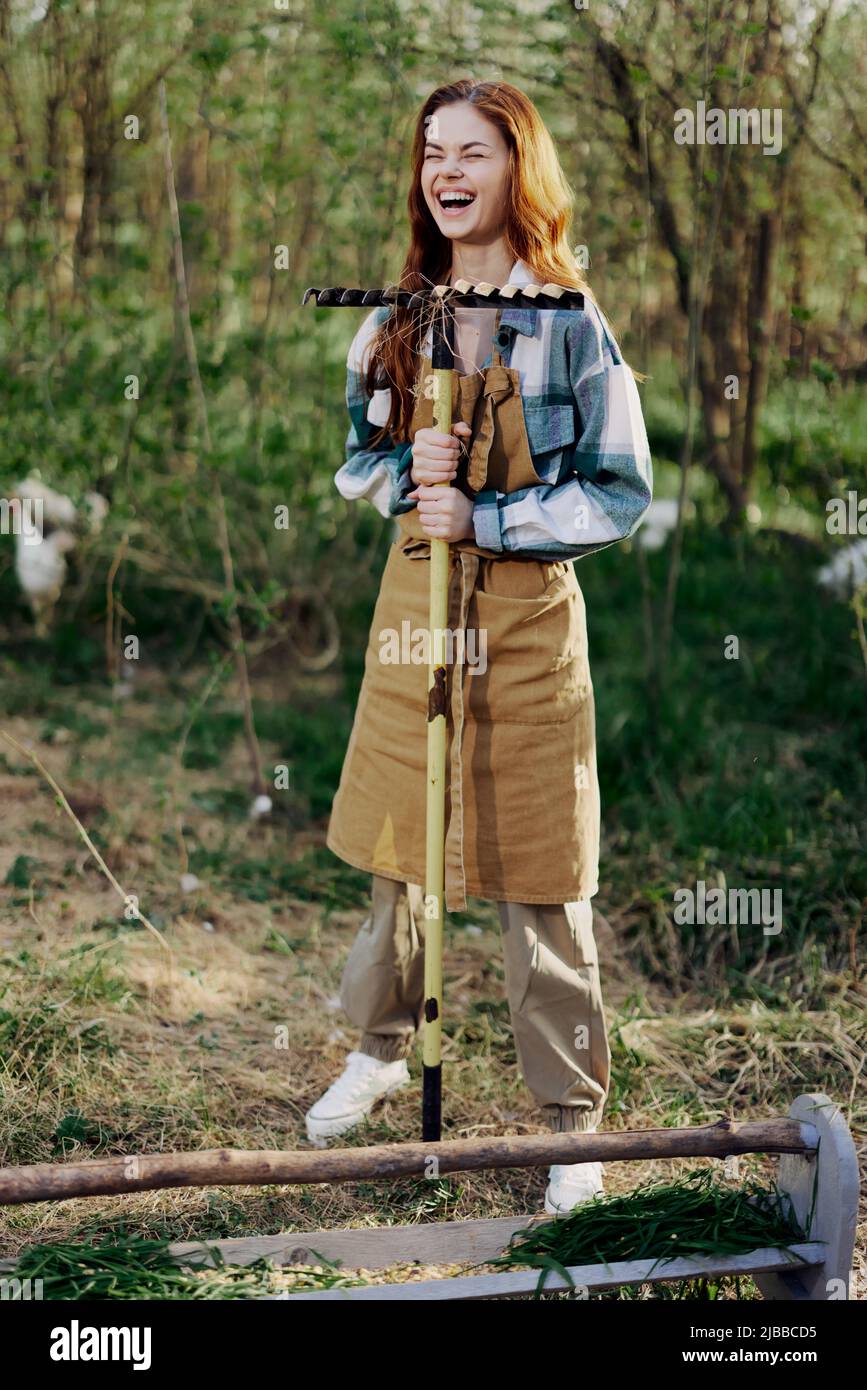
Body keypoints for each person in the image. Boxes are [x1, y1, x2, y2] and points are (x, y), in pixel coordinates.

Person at [306, 78, 652, 1216]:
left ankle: (571, 1130)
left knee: (542, 870)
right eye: (431, 153)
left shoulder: (571, 319)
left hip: (526, 620)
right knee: (403, 847)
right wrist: (413, 479)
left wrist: (490, 518)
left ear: (518, 169)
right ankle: (380, 1047)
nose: (446, 171)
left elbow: (619, 490)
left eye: (473, 153)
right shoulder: (393, 319)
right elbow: (358, 462)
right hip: (415, 608)